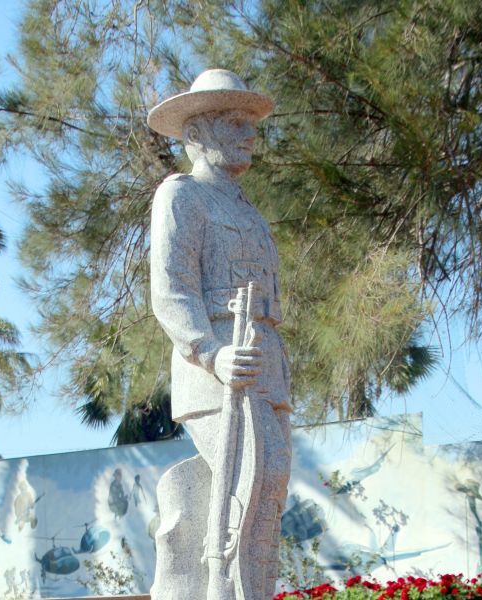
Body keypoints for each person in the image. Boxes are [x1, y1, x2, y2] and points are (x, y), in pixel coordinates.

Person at [148, 69, 292, 599]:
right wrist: (210, 353)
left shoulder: (247, 211)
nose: (249, 133)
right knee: (244, 484)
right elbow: (170, 289)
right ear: (196, 135)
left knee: (270, 483)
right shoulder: (182, 195)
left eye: (251, 123)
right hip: (217, 368)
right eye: (234, 122)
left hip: (266, 366)